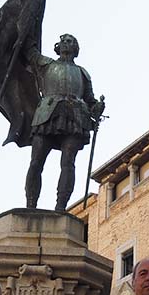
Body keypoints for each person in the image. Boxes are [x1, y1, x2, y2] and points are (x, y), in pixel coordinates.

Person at [23, 33, 104, 211]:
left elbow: (89, 99)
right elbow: (27, 51)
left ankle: (61, 206)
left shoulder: (83, 73)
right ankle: (30, 204)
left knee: (68, 162)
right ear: (58, 46)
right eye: (63, 41)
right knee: (36, 161)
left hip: (75, 115)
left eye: (70, 41)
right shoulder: (46, 64)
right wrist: (27, 26)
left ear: (75, 48)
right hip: (47, 114)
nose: (66, 43)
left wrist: (97, 107)